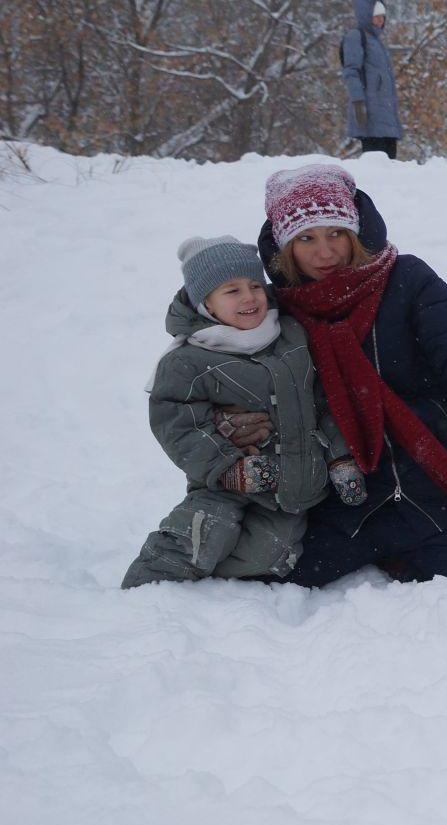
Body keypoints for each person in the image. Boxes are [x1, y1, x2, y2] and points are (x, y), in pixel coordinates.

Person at [220, 165, 447, 588]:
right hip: (339, 499)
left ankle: (411, 547)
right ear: (284, 247)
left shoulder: (409, 281)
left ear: (357, 231)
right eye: (306, 238)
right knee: (265, 578)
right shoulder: (272, 310)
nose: (325, 253)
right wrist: (230, 418)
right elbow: (226, 372)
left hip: (431, 485)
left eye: (336, 233)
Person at [123, 236, 366, 589]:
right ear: (205, 302)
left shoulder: (292, 336)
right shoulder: (188, 360)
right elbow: (178, 424)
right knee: (203, 534)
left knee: (268, 556)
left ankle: (210, 582)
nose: (249, 297)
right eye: (231, 291)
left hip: (291, 492)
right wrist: (228, 468)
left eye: (254, 285)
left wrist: (339, 459)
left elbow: (325, 404)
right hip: (224, 485)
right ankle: (146, 587)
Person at [342, 0, 402, 159]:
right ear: (366, 15)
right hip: (370, 116)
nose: (381, 20)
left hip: (386, 117)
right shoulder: (356, 37)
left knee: (390, 166)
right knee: (377, 166)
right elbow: (351, 71)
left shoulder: (377, 42)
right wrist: (358, 102)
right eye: (376, 16)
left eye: (383, 16)